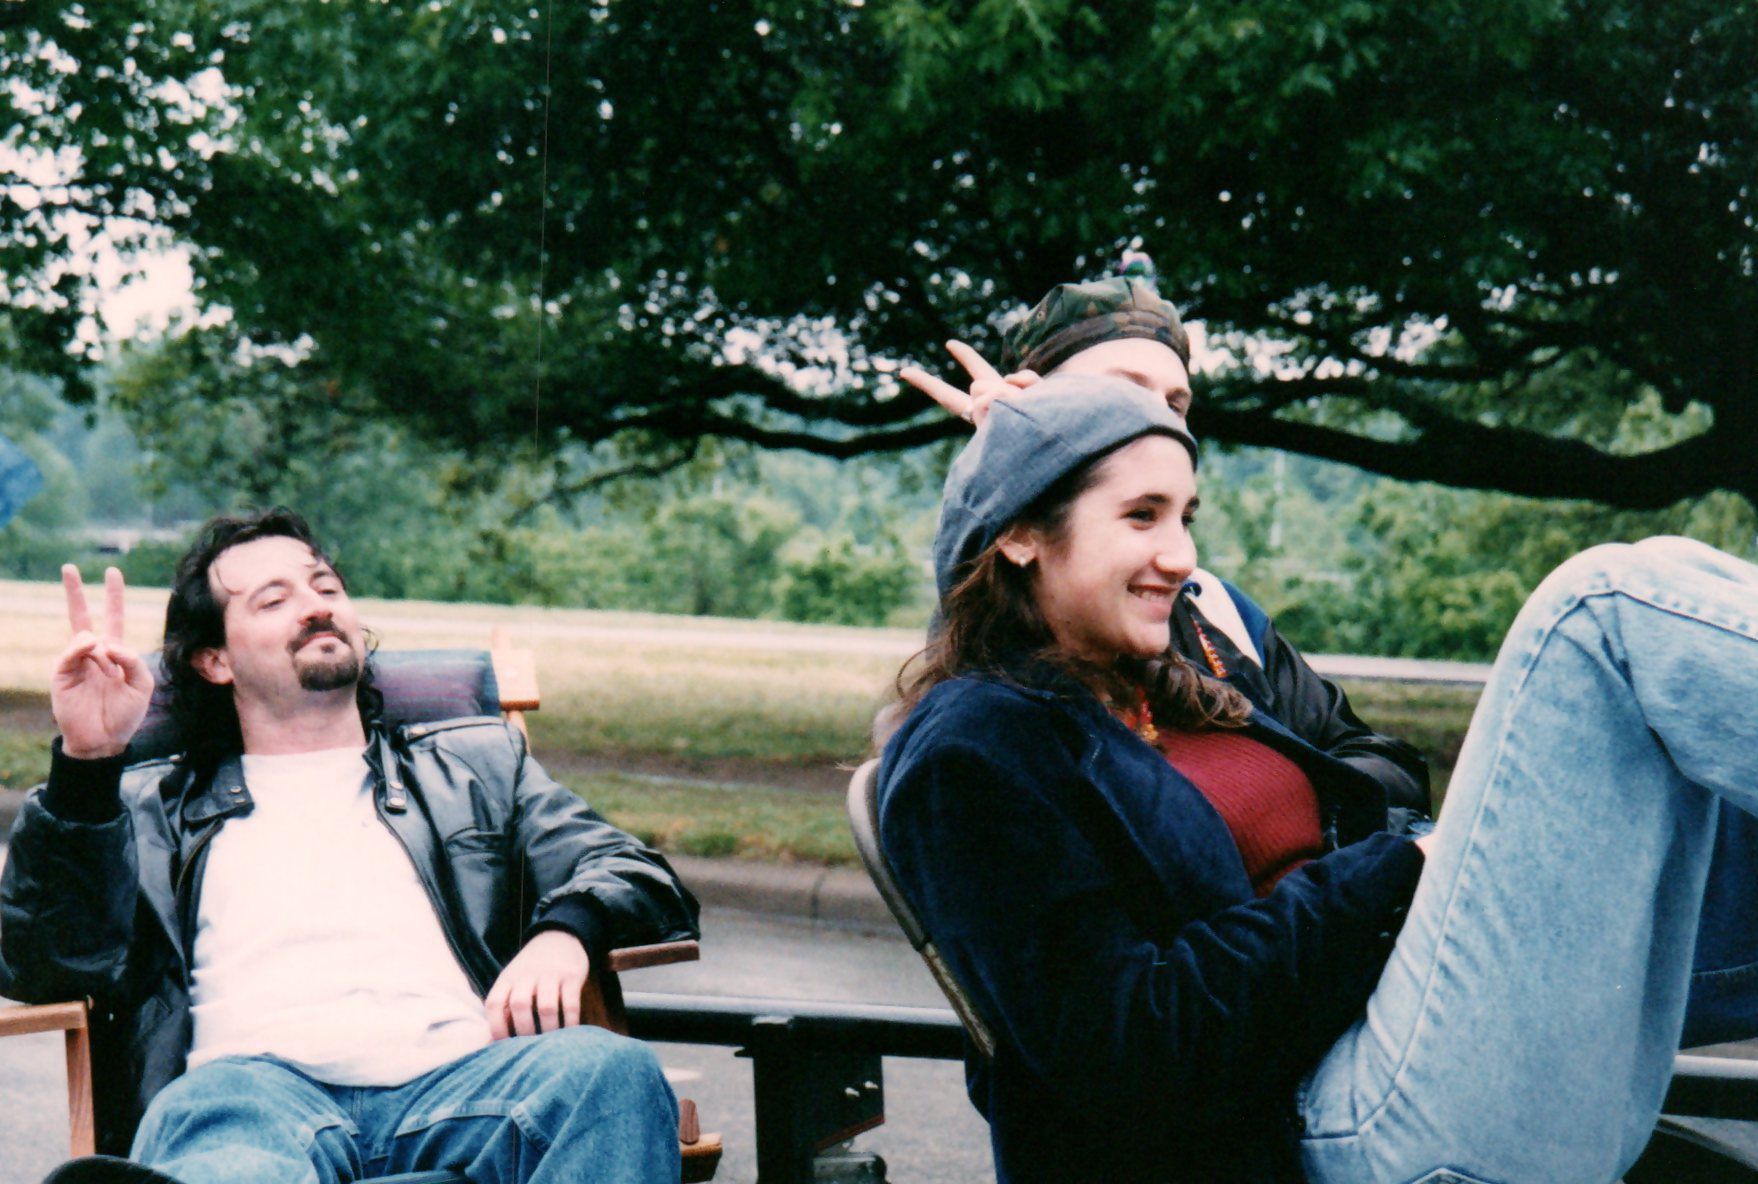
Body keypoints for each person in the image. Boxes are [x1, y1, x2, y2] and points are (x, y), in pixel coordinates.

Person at [876, 374, 1758, 1182]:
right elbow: (1129, 1049)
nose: (1181, 556)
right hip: (1312, 1124)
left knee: (1667, 603)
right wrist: (1402, 872)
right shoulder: (975, 746)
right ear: (1021, 534)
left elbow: (1368, 775)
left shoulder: (1165, 688)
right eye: (1142, 517)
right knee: (1601, 611)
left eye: (1186, 517)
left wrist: (1420, 867)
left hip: (1387, 1020)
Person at [0, 509, 701, 1184]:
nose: (315, 607)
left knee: (611, 1074)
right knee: (226, 1147)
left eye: (326, 587)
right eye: (274, 600)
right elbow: (42, 964)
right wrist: (88, 763)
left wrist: (567, 933)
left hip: (467, 1088)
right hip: (252, 1101)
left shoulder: (476, 768)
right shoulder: (147, 808)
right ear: (215, 660)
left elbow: (633, 871)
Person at [900, 267, 1430, 821]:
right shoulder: (983, 705)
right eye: (1121, 394)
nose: (1153, 419)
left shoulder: (1215, 607)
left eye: (1174, 404)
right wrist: (1010, 462)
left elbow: (1383, 763)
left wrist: (1286, 806)